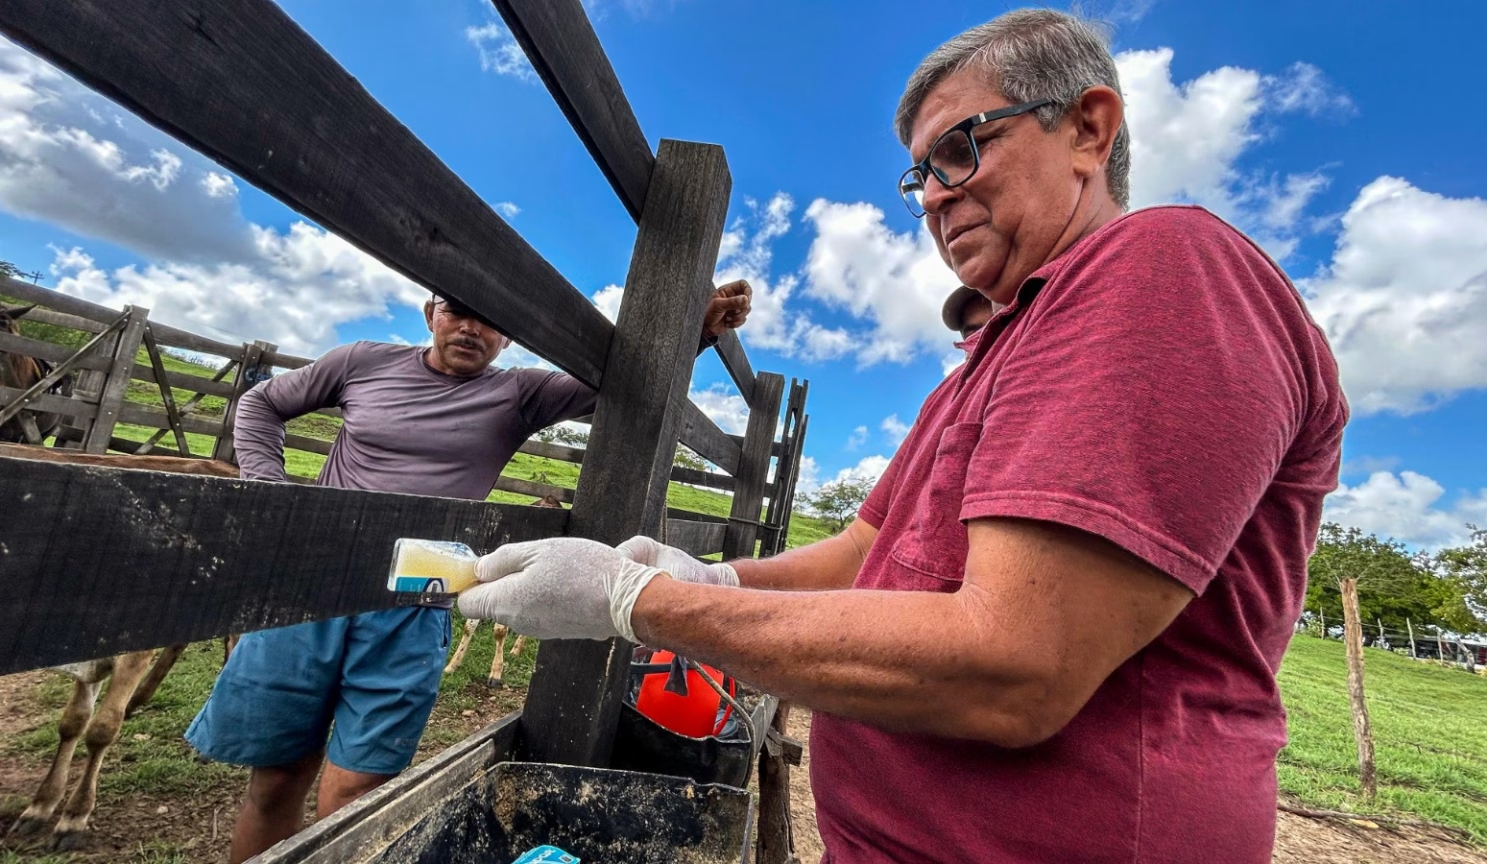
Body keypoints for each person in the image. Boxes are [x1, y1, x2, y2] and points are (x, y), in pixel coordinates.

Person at [457, 8, 1347, 864]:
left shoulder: (1162, 268)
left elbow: (1019, 665)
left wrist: (639, 603)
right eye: (919, 175)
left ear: (1088, 128)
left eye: (961, 149)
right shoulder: (984, 365)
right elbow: (863, 554)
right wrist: (715, 576)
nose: (932, 197)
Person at [186, 280, 752, 863]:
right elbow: (261, 403)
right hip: (307, 589)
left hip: (415, 604)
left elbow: (623, 383)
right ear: (431, 312)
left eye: (491, 320)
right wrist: (271, 490)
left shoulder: (518, 394)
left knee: (358, 792)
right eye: (457, 310)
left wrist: (697, 330)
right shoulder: (360, 361)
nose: (470, 329)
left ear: (507, 337)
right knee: (277, 777)